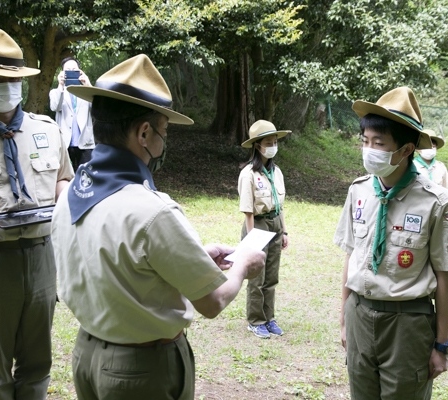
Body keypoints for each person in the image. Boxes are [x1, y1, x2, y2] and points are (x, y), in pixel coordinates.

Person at [51, 54, 266, 400]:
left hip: (87, 354)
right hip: (139, 371)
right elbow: (211, 302)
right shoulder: (152, 210)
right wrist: (243, 265)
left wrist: (195, 258)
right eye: (164, 132)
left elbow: (118, 269)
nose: (164, 143)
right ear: (144, 132)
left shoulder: (70, 195)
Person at [0, 28, 74, 399]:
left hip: (42, 256)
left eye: (12, 80)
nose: (5, 87)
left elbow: (63, 180)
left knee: (38, 364)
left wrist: (66, 198)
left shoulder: (47, 129)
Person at [334, 87, 448, 399]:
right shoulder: (359, 191)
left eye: (379, 144)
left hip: (408, 324)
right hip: (359, 316)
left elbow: (444, 277)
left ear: (407, 149)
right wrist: (343, 320)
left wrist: (442, 345)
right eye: (365, 141)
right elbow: (350, 258)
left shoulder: (437, 203)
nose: (369, 150)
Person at [238, 120, 290, 339]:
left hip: (275, 223)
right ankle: (255, 320)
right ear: (257, 146)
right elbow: (248, 211)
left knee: (271, 276)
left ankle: (269, 318)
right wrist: (252, 242)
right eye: (268, 142)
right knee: (257, 277)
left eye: (275, 142)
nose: (273, 146)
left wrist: (284, 231)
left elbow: (279, 204)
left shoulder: (276, 171)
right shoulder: (248, 173)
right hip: (257, 225)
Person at [49, 56, 95, 170]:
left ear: (80, 72)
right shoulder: (56, 92)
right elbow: (55, 106)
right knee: (66, 176)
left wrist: (88, 85)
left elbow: (97, 108)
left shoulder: (86, 92)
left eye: (74, 69)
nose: (71, 72)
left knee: (87, 176)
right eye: (67, 70)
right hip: (65, 143)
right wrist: (60, 85)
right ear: (62, 72)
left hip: (85, 143)